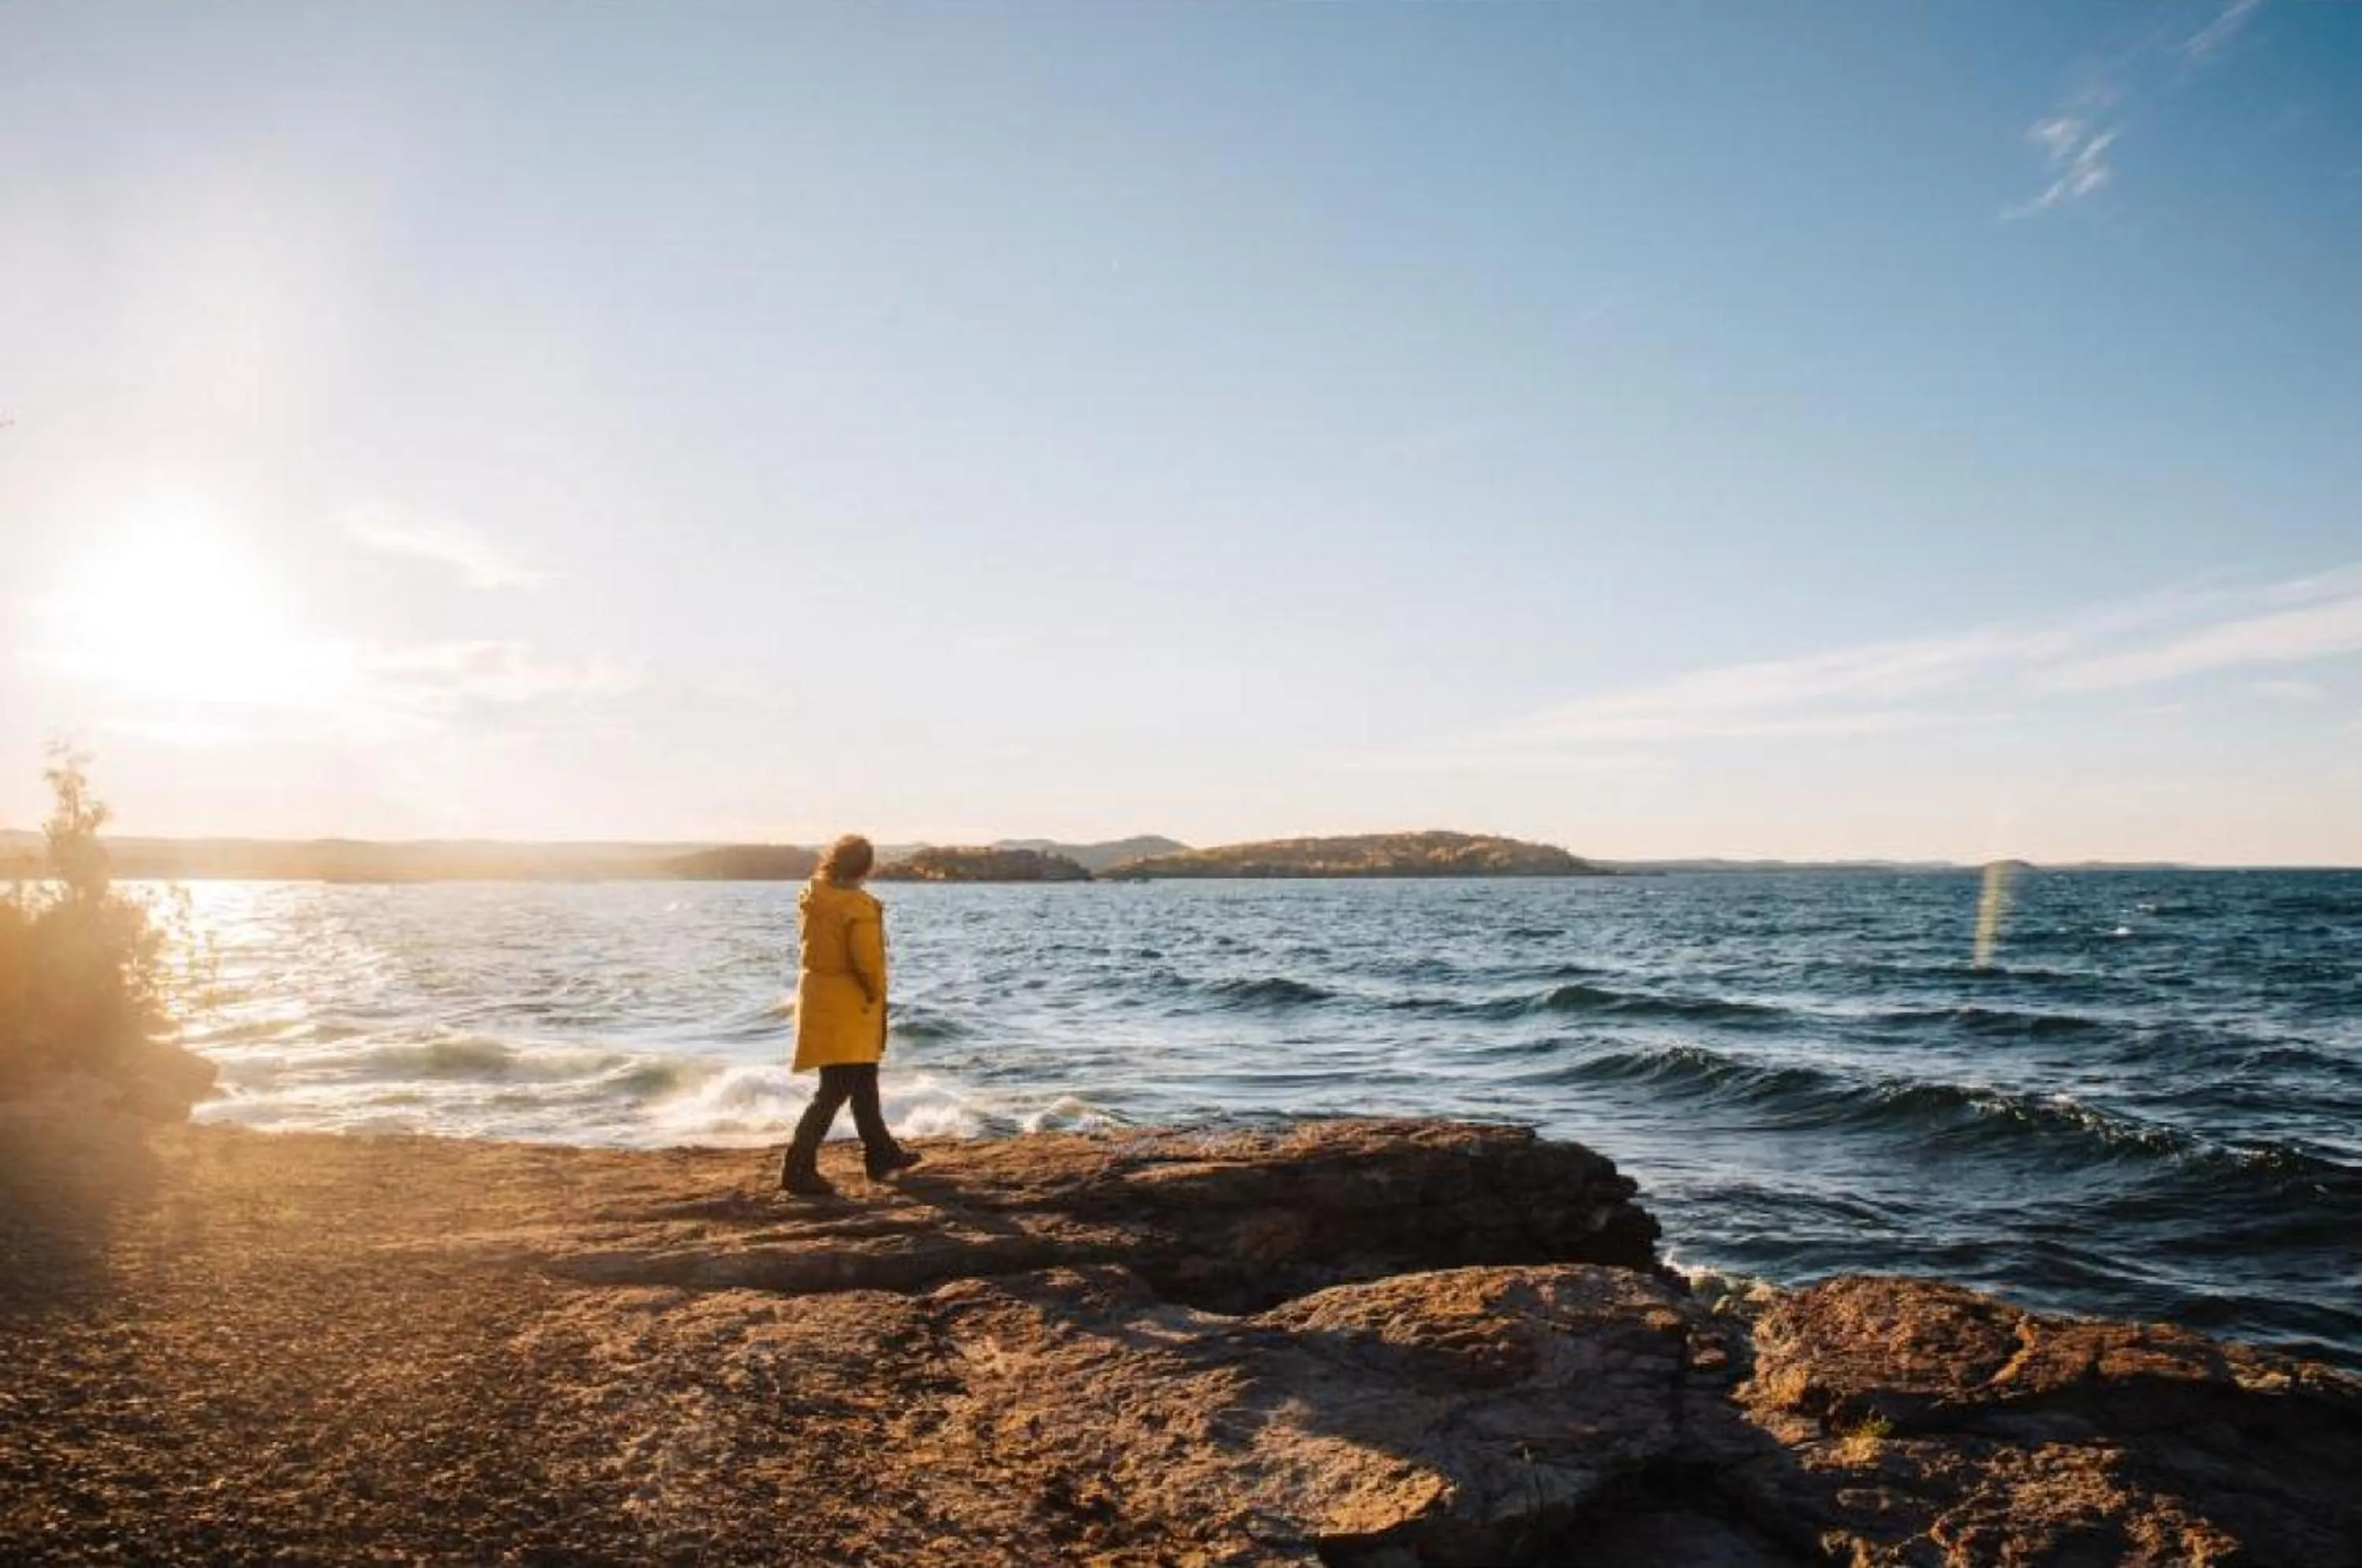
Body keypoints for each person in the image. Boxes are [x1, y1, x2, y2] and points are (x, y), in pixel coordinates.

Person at [780, 834, 920, 1196]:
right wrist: (876, 993)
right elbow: (867, 962)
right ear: (866, 867)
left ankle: (882, 1154)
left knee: (863, 1082)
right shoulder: (856, 906)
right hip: (850, 1002)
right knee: (836, 1088)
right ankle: (797, 1167)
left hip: (820, 997)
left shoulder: (815, 897)